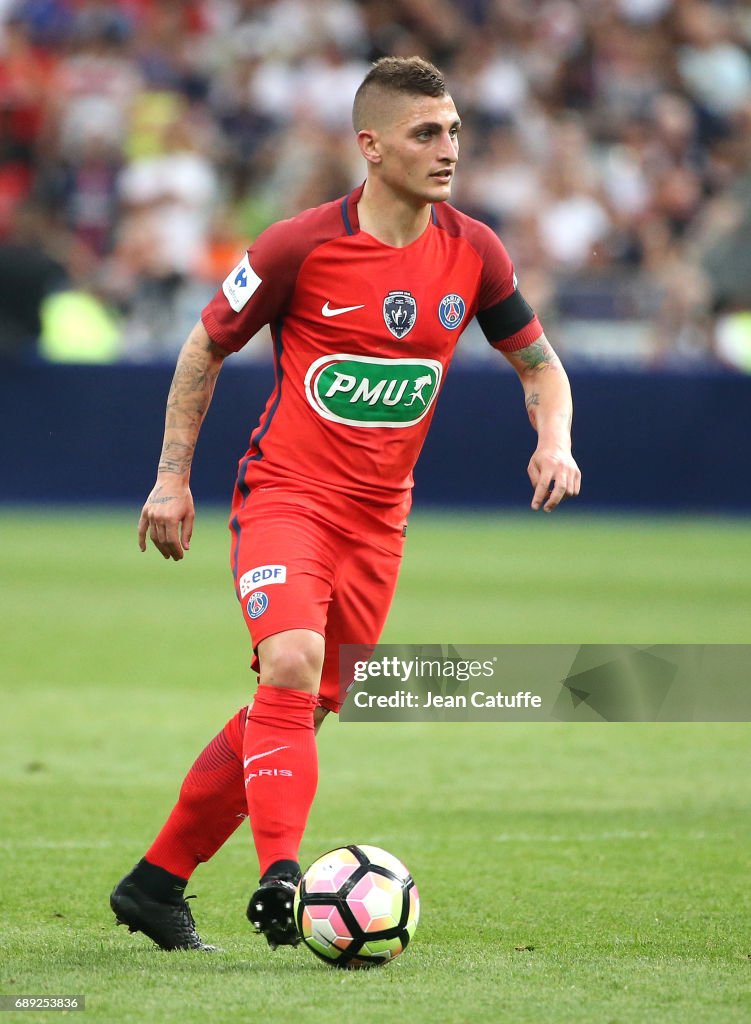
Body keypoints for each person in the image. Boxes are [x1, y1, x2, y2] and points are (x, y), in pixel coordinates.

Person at [110, 55, 581, 952]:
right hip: (287, 497)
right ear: (370, 146)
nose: (448, 149)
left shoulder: (474, 250)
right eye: (425, 133)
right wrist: (172, 476)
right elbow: (202, 350)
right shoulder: (297, 245)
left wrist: (552, 439)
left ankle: (155, 881)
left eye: (452, 130)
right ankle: (281, 876)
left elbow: (539, 365)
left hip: (379, 522)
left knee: (293, 710)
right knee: (289, 663)